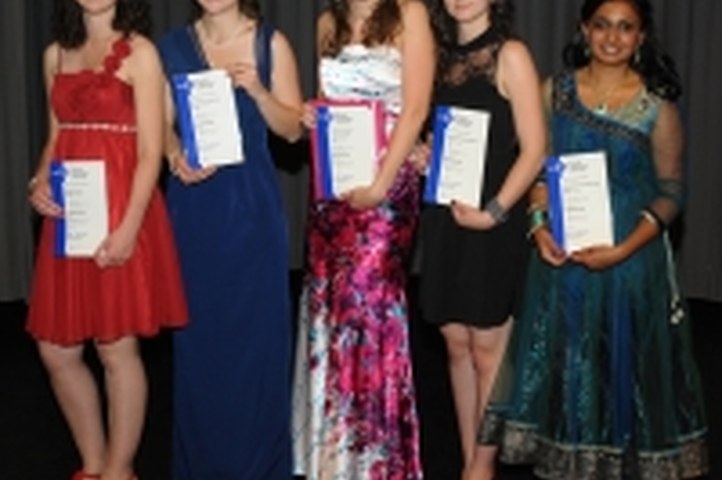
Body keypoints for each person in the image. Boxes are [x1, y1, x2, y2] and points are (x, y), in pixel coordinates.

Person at [478, 0, 709, 478]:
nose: (612, 38)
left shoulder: (656, 105)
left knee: (620, 373)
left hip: (630, 264)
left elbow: (671, 193)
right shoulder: (555, 92)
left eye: (625, 28)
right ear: (585, 30)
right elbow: (537, 172)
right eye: (602, 25)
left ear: (641, 37)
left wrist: (624, 249)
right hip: (563, 262)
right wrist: (538, 227)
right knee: (570, 371)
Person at [26, 1, 188, 479]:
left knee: (115, 346)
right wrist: (39, 180)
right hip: (71, 213)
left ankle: (120, 469)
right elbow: (56, 138)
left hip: (122, 207)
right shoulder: (55, 54)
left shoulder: (141, 52)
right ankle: (93, 463)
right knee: (56, 350)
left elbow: (151, 152)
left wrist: (129, 228)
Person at [157, 0, 304, 478]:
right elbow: (160, 126)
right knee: (199, 348)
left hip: (252, 213)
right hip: (194, 212)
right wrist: (174, 154)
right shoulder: (172, 47)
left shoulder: (270, 43)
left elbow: (293, 130)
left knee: (257, 348)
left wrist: (259, 91)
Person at [291, 0, 434, 478]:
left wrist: (379, 185)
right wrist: (311, 115)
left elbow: (415, 109)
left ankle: (377, 462)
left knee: (370, 310)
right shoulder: (327, 22)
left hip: (387, 186)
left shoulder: (409, 13)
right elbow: (328, 102)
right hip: (333, 186)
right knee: (331, 308)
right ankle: (334, 459)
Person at [418, 1, 546, 479]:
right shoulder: (436, 55)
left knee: (488, 350)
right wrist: (425, 154)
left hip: (492, 221)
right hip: (446, 216)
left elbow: (535, 150)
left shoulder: (510, 54)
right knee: (456, 344)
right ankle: (471, 456)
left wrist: (494, 212)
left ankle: (482, 467)